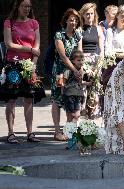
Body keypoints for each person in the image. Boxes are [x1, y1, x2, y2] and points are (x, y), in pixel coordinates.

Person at [2, 0, 44, 144]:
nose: (27, 9)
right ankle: (11, 133)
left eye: (29, 6)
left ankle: (30, 133)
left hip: (29, 65)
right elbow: (9, 44)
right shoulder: (9, 22)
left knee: (29, 99)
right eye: (24, 6)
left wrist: (33, 65)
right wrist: (29, 49)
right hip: (13, 64)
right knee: (12, 99)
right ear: (18, 7)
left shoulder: (34, 23)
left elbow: (37, 46)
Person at [51, 8, 82, 141]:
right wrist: (74, 69)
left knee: (73, 99)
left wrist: (81, 69)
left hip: (74, 72)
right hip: (60, 73)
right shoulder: (59, 35)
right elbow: (63, 56)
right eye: (71, 20)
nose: (73, 22)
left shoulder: (78, 35)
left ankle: (69, 130)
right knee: (57, 99)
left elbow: (80, 54)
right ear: (66, 21)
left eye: (75, 20)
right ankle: (57, 131)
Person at [101, 5, 124, 113]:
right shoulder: (110, 31)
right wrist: (122, 54)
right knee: (112, 95)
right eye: (122, 16)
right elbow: (107, 51)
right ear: (117, 16)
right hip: (113, 66)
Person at [79, 3, 104, 118]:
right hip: (83, 61)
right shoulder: (79, 30)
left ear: (95, 15)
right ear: (83, 15)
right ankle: (82, 115)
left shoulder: (99, 29)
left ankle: (93, 117)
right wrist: (84, 67)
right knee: (83, 90)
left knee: (95, 90)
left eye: (91, 14)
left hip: (96, 61)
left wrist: (97, 66)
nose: (89, 16)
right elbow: (79, 50)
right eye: (87, 14)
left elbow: (102, 49)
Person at [62, 51, 92, 124]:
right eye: (78, 60)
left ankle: (72, 131)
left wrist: (88, 83)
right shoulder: (68, 70)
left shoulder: (81, 71)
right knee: (70, 116)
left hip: (78, 95)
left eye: (82, 60)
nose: (81, 62)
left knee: (77, 115)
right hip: (69, 95)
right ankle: (68, 132)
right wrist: (62, 92)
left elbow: (80, 83)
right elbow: (63, 82)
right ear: (73, 61)